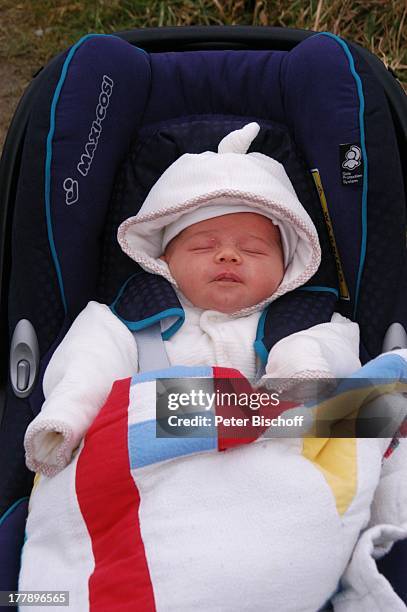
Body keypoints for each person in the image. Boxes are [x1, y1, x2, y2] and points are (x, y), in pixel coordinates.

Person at [20, 123, 406, 611]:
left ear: (288, 268)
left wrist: (299, 370)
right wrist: (68, 417)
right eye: (204, 246)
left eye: (254, 248)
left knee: (382, 396)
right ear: (163, 259)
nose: (228, 254)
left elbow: (333, 373)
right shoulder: (126, 324)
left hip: (275, 485)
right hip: (151, 481)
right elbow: (85, 370)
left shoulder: (310, 325)